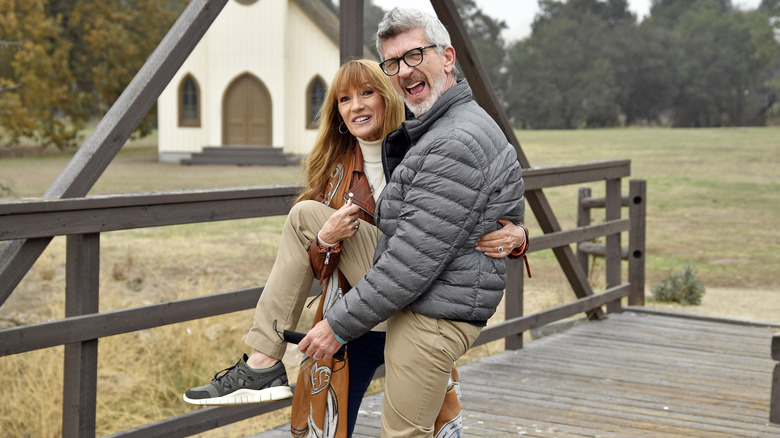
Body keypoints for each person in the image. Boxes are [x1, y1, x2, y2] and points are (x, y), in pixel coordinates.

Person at [182, 59, 527, 437]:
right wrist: (326, 239)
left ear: (389, 97)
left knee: (414, 428)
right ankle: (262, 361)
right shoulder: (334, 170)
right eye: (345, 99)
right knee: (329, 427)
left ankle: (262, 363)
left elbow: (467, 216)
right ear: (338, 113)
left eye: (367, 93)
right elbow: (311, 264)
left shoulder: (424, 147)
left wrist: (520, 237)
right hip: (354, 318)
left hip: (415, 308)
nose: (357, 105)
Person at [298, 7, 527, 438]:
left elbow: (411, 259)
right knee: (304, 215)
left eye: (415, 54)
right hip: (404, 293)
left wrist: (336, 325)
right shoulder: (432, 129)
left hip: (430, 311)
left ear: (448, 57)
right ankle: (260, 359)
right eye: (393, 63)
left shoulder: (453, 139)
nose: (404, 70)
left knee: (403, 433)